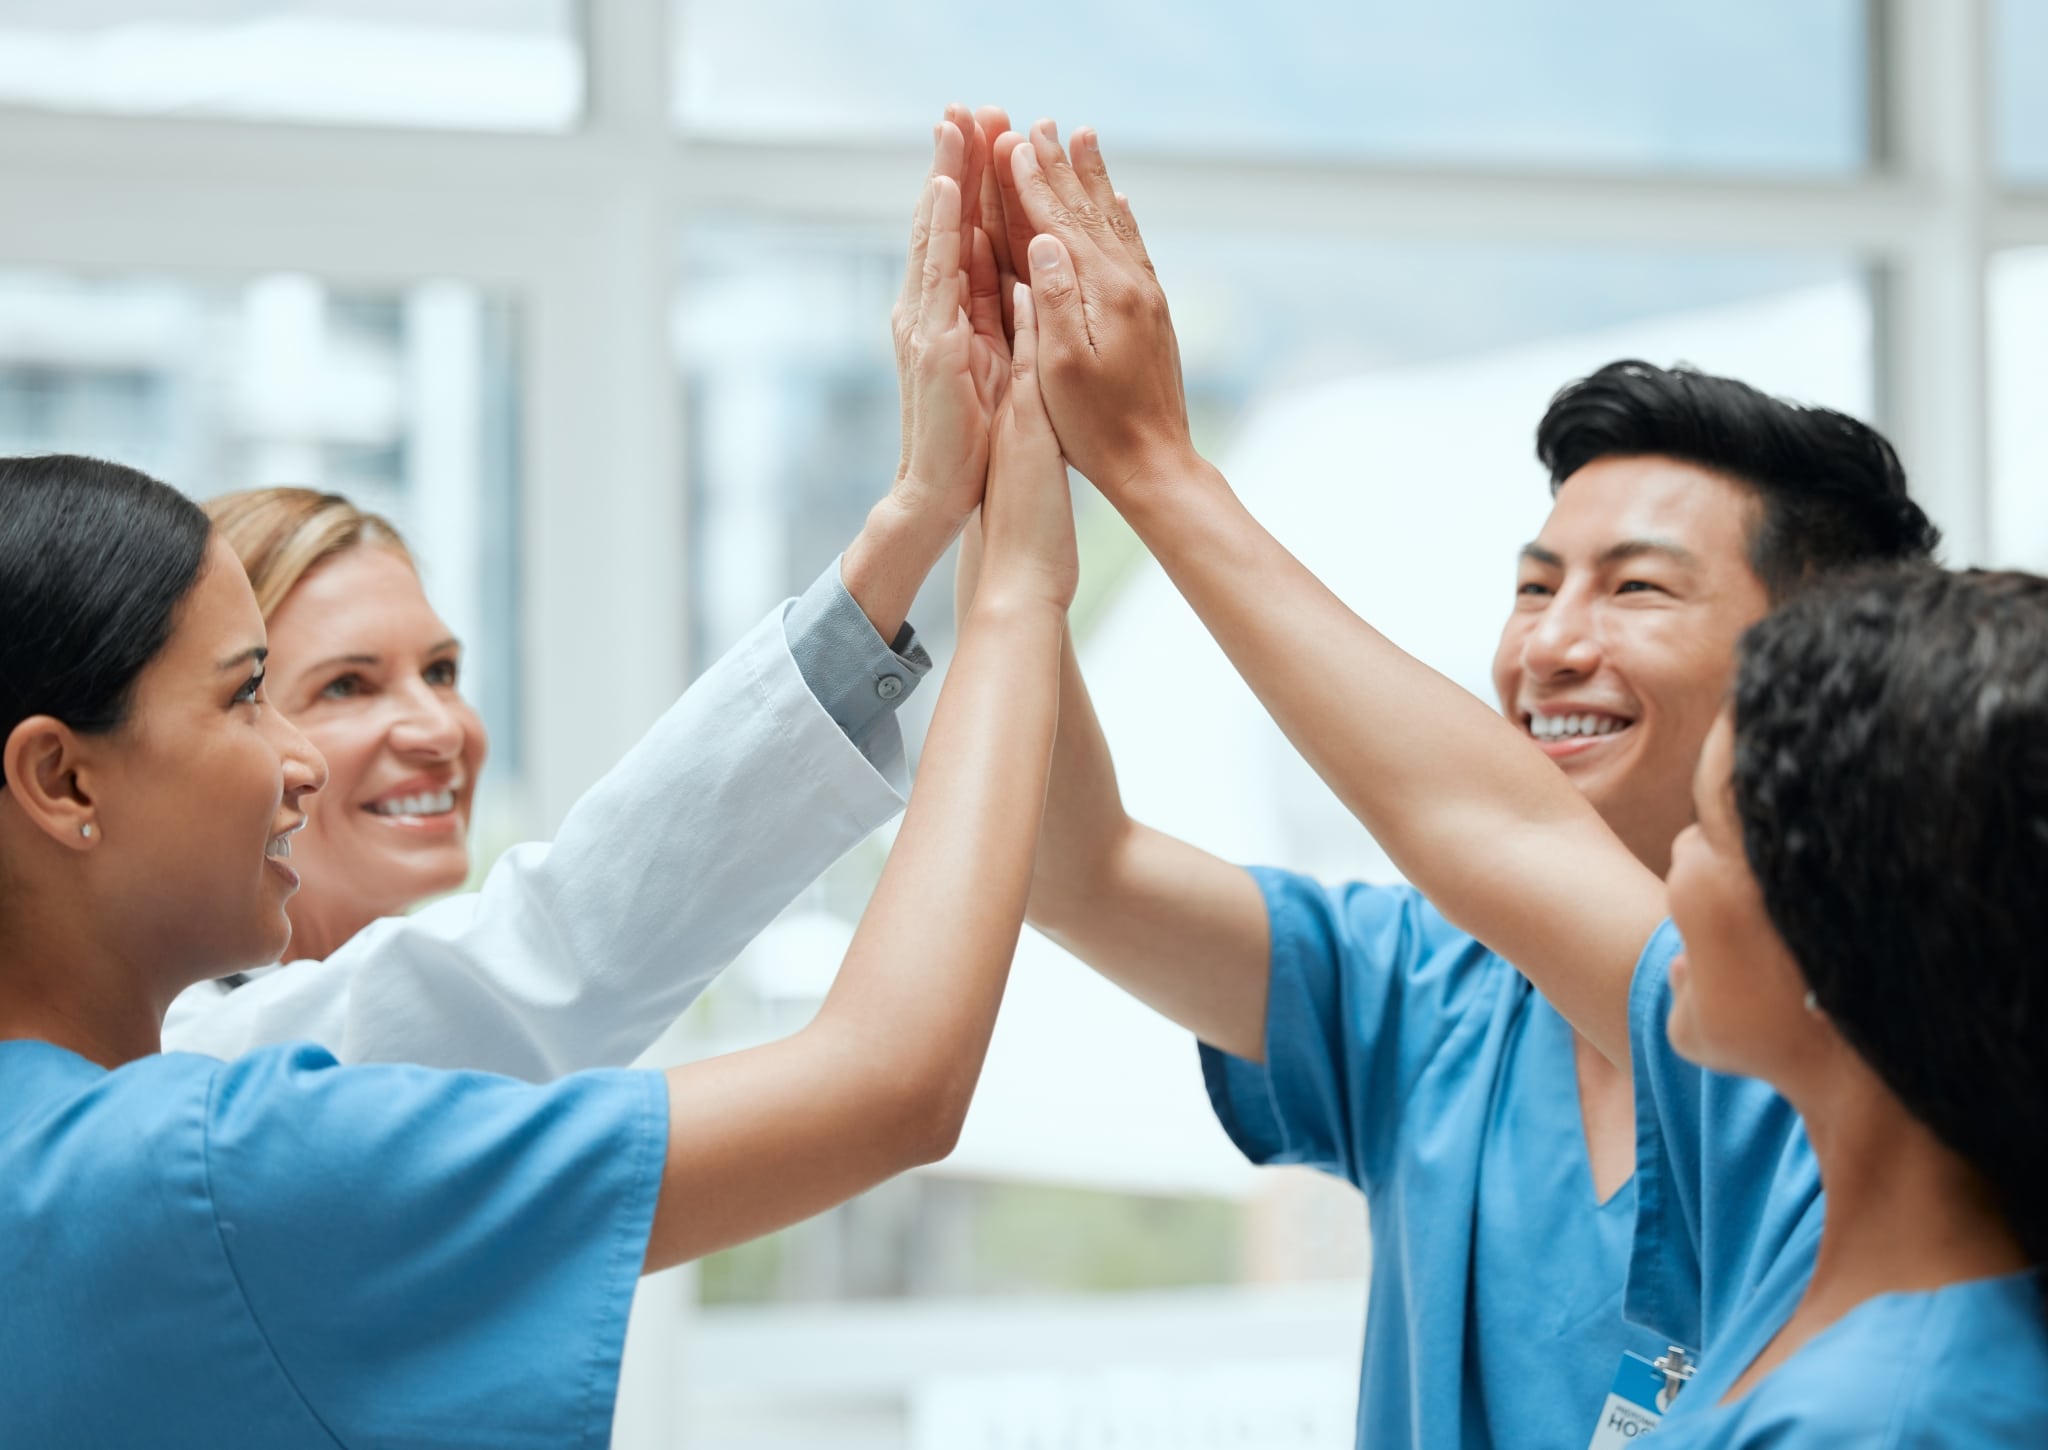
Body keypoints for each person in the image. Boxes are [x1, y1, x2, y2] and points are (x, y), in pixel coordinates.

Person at [0, 157, 1076, 1446]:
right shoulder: (215, 1166)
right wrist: (1015, 590)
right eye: (254, 695)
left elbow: (553, 945)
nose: (309, 757)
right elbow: (883, 1081)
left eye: (442, 671)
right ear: (61, 778)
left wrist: (913, 517)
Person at [964, 112, 1936, 1447]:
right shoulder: (1434, 988)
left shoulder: (1863, 1041)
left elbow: (1485, 826)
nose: (1550, 645)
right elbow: (1073, 867)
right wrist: (1001, 487)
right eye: (1533, 589)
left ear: (1814, 661)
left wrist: (1153, 464)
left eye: (1636, 589)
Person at [160, 106, 1012, 1080]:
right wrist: (925, 517)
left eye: (441, 672)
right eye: (346, 685)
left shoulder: (416, 1049)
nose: (437, 727)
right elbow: (562, 949)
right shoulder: (198, 1061)